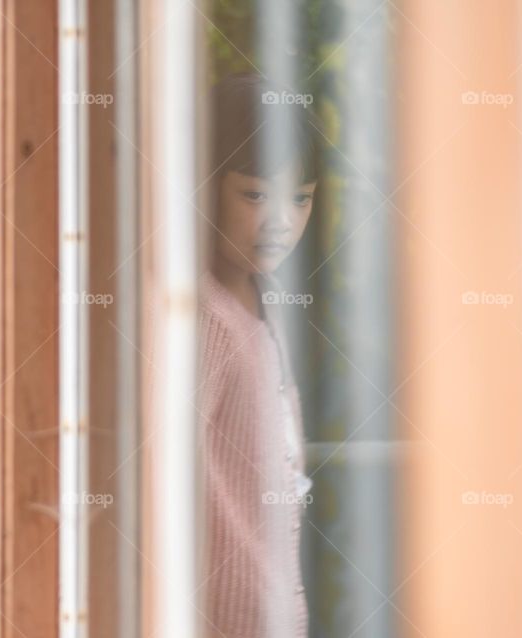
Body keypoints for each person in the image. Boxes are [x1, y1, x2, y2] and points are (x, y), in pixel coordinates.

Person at [199, 72, 321, 638]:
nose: (282, 221)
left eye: (300, 199)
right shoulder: (202, 316)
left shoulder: (262, 294)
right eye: (255, 194)